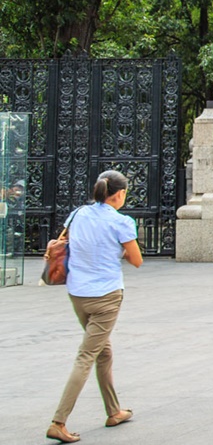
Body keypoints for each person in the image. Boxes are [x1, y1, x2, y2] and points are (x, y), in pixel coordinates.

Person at [47, 170, 142, 444]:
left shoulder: (78, 214)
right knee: (86, 356)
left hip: (77, 293)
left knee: (103, 351)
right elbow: (136, 260)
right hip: (106, 296)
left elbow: (70, 243)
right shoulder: (121, 222)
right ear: (120, 193)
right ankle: (58, 421)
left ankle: (114, 411)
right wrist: (119, 250)